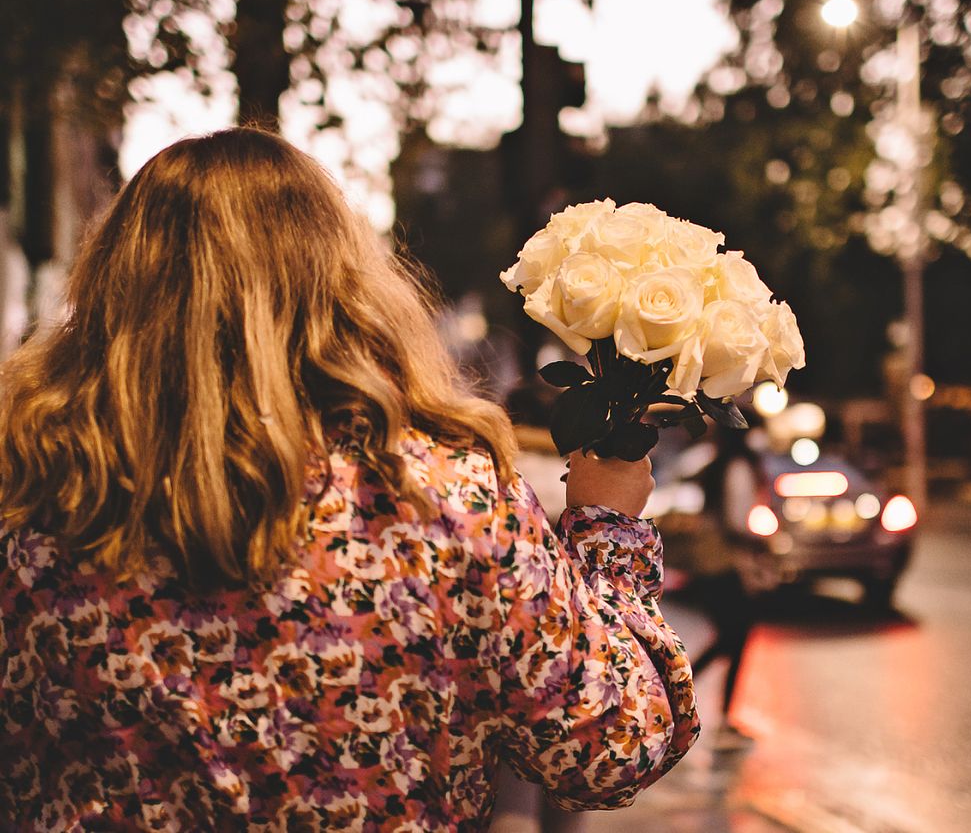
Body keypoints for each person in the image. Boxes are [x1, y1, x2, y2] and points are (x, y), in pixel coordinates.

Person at [0, 128, 698, 831]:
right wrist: (608, 537)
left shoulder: (28, 498)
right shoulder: (446, 501)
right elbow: (613, 747)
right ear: (341, 283)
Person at [687, 424, 765, 750]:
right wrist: (762, 544)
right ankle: (678, 691)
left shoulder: (717, 465)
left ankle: (679, 691)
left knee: (730, 639)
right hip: (726, 563)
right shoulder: (738, 467)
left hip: (711, 561)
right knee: (734, 637)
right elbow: (737, 521)